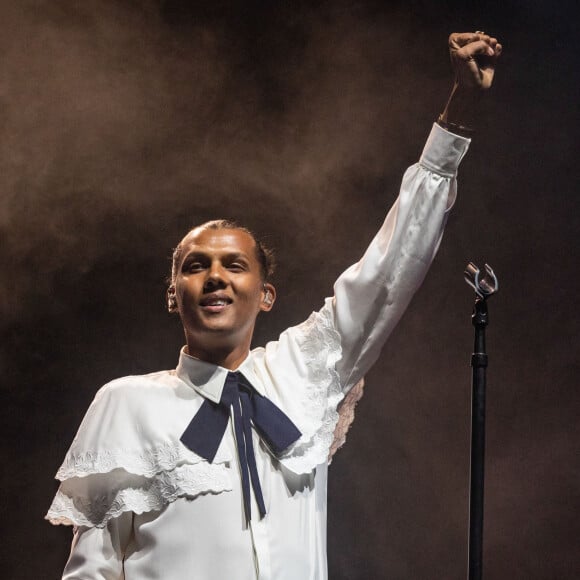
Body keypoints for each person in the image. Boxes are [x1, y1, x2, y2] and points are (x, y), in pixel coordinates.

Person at [46, 32, 502, 579]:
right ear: (174, 295)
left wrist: (457, 119)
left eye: (234, 265)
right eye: (195, 266)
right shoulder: (126, 403)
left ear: (266, 294)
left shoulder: (303, 370)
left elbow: (390, 269)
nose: (215, 276)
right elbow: (90, 572)